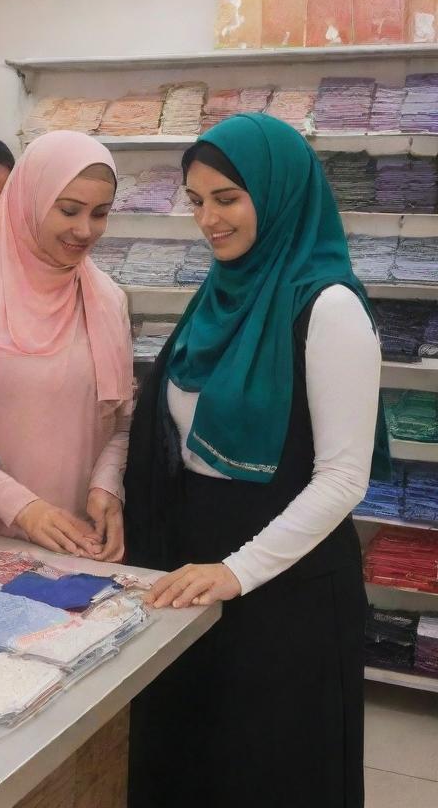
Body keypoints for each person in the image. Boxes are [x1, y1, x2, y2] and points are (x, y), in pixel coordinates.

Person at [124, 113, 389, 808]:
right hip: (195, 569)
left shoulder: (327, 307)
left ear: (276, 194)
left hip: (284, 589)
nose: (208, 219)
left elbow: (342, 479)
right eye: (197, 201)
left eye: (227, 198)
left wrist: (234, 573)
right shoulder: (219, 297)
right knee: (194, 761)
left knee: (267, 770)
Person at [0, 130, 133, 559]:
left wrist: (107, 486)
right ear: (31, 200)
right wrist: (25, 509)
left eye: (100, 213)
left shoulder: (106, 299)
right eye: (69, 210)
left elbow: (122, 422)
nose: (85, 230)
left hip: (78, 536)